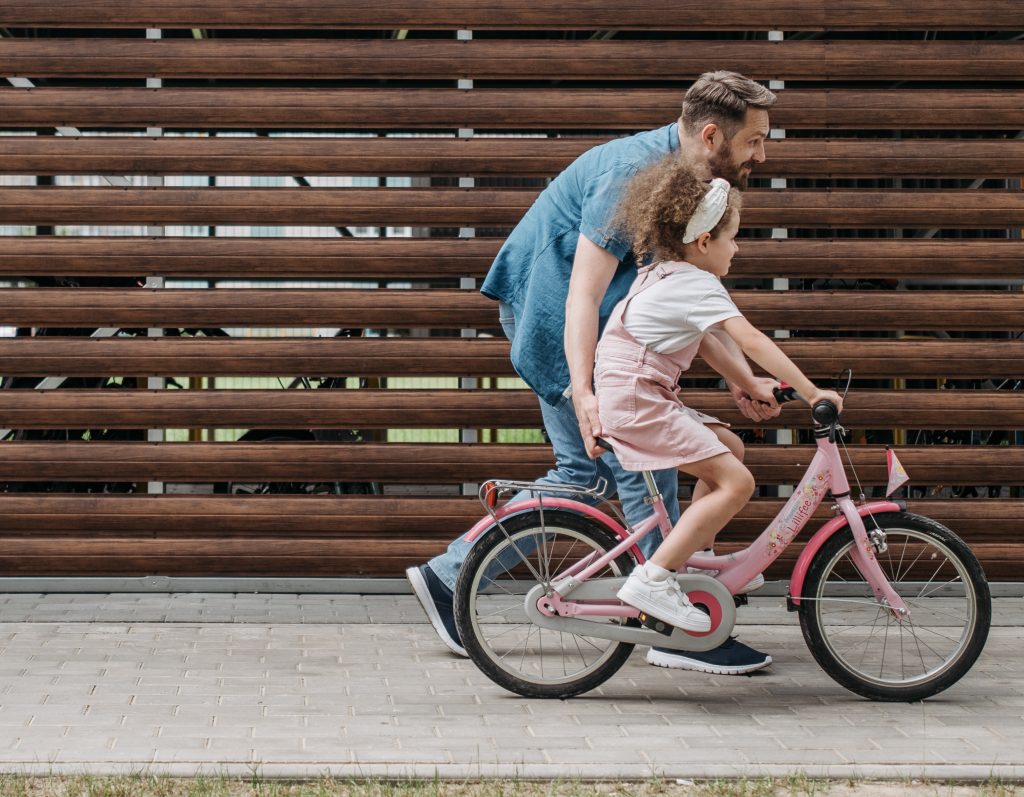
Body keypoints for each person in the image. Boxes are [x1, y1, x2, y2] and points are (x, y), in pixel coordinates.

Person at [407, 71, 783, 675]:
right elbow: (581, 296)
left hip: (593, 322)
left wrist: (739, 376)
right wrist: (585, 394)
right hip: (553, 313)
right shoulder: (632, 176)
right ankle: (662, 619)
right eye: (756, 141)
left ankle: (450, 576)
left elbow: (680, 298)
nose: (762, 154)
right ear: (712, 135)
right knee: (642, 457)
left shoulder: (689, 181)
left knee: (585, 475)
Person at [597, 163, 843, 638]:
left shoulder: (663, 274)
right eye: (733, 237)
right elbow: (747, 338)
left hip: (638, 394)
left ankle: (698, 564)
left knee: (729, 447)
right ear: (704, 241)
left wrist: (750, 386)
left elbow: (707, 340)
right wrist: (813, 392)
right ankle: (653, 579)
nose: (738, 246)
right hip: (638, 399)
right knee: (738, 483)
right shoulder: (696, 282)